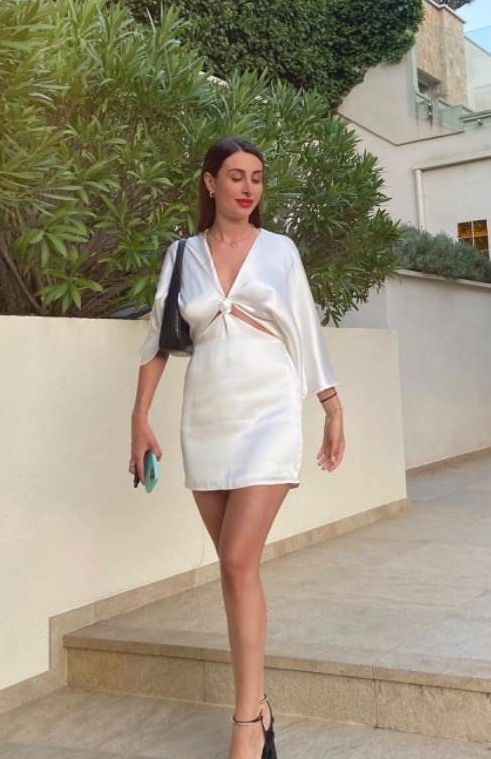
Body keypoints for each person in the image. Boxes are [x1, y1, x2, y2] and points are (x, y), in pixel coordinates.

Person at [130, 137, 345, 759]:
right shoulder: (182, 254)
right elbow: (158, 340)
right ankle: (259, 704)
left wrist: (331, 406)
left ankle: (246, 726)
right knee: (236, 571)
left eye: (257, 177)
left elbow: (306, 329)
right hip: (206, 414)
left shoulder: (280, 250)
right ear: (210, 182)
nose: (248, 188)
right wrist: (139, 418)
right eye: (235, 176)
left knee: (235, 559)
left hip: (270, 409)